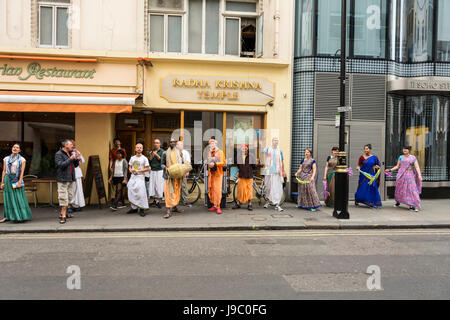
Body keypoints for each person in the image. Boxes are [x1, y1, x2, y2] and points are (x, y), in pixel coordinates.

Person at [0, 143, 32, 223]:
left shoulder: (22, 159)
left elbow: (22, 172)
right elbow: (4, 170)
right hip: (7, 178)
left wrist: (20, 181)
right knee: (8, 198)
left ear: (19, 150)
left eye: (17, 148)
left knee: (18, 197)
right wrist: (2, 182)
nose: (15, 148)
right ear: (12, 148)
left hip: (16, 178)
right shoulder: (6, 158)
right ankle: (7, 216)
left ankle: (20, 216)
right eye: (14, 147)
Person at [386, 146, 422, 212]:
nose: (404, 150)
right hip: (401, 175)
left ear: (409, 150)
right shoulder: (401, 157)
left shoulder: (413, 158)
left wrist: (419, 175)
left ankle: (412, 205)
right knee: (399, 189)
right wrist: (390, 170)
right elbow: (397, 166)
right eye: (403, 149)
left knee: (411, 189)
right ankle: (398, 202)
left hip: (409, 175)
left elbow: (417, 167)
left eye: (406, 149)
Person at [55, 139, 80, 224]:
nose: (72, 146)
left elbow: (75, 165)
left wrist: (76, 158)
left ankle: (63, 213)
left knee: (69, 196)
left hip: (71, 178)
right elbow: (61, 165)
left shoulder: (70, 153)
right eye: (71, 144)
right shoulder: (58, 154)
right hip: (63, 179)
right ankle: (63, 216)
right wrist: (70, 158)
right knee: (63, 197)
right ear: (65, 145)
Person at [355, 144, 382, 208]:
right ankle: (358, 199)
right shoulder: (361, 157)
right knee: (362, 187)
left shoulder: (374, 157)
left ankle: (371, 202)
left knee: (372, 187)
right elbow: (359, 165)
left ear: (370, 149)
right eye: (365, 149)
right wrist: (358, 168)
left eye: (367, 149)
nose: (366, 150)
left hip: (371, 175)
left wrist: (377, 167)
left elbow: (378, 165)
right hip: (363, 175)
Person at [262, 137, 286, 212]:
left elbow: (282, 161)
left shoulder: (280, 151)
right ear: (272, 141)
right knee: (268, 187)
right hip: (269, 172)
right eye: (274, 140)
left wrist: (283, 171)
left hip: (277, 172)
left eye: (277, 140)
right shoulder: (267, 149)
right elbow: (263, 152)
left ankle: (277, 204)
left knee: (276, 188)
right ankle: (268, 201)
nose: (276, 141)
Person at [127, 143, 150, 217]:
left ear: (142, 149)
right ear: (135, 149)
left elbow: (147, 168)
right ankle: (134, 208)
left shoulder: (144, 158)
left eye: (140, 147)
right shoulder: (132, 158)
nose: (139, 149)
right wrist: (130, 170)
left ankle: (142, 209)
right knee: (131, 191)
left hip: (140, 177)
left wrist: (139, 171)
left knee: (141, 194)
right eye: (137, 147)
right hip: (133, 177)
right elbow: (130, 166)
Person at [162, 138, 183, 218]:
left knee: (176, 192)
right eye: (171, 142)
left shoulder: (179, 152)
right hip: (168, 176)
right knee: (168, 193)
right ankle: (168, 211)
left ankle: (174, 207)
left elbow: (182, 162)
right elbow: (162, 164)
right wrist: (165, 168)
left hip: (177, 176)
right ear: (169, 143)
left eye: (174, 142)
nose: (172, 143)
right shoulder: (165, 153)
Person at [233, 143, 256, 211]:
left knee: (249, 191)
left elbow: (254, 166)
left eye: (245, 148)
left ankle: (249, 204)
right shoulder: (238, 156)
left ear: (247, 148)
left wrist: (249, 169)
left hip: (249, 175)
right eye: (243, 148)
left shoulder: (251, 156)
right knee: (240, 190)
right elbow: (237, 165)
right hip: (241, 175)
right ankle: (238, 203)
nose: (244, 149)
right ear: (241, 149)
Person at [206, 139, 225, 214]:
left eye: (213, 143)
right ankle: (214, 205)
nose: (212, 145)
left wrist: (215, 164)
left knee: (217, 190)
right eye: (210, 143)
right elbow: (208, 161)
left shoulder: (220, 152)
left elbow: (223, 162)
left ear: (216, 144)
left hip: (218, 174)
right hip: (211, 173)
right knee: (212, 189)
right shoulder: (209, 152)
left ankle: (218, 206)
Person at [109, 137, 127, 207]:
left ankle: (115, 204)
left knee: (118, 190)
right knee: (119, 190)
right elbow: (113, 169)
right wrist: (111, 177)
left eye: (119, 154)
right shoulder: (115, 161)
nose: (118, 155)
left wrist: (125, 178)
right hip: (116, 176)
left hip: (121, 177)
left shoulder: (124, 160)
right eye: (117, 154)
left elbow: (125, 169)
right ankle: (123, 203)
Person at [147, 139, 164, 209]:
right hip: (153, 170)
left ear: (160, 144)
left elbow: (162, 160)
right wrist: (150, 156)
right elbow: (150, 161)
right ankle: (154, 200)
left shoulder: (162, 151)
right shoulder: (153, 151)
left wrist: (156, 154)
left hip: (159, 170)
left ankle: (158, 201)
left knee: (158, 185)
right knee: (153, 185)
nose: (156, 144)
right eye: (154, 143)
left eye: (157, 143)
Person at [70, 140, 85, 212]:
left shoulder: (76, 151)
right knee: (73, 189)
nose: (72, 146)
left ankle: (78, 204)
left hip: (77, 172)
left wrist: (79, 157)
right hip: (71, 172)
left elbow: (83, 160)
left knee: (78, 189)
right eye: (71, 144)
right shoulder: (67, 153)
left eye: (73, 145)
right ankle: (72, 204)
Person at [176, 140, 192, 208]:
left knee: (184, 186)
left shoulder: (185, 152)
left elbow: (188, 162)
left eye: (181, 144)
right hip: (176, 171)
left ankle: (186, 201)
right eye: (179, 144)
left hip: (183, 170)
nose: (181, 146)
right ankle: (177, 201)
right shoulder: (174, 152)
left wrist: (187, 171)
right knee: (176, 186)